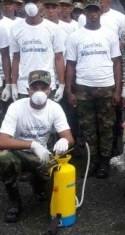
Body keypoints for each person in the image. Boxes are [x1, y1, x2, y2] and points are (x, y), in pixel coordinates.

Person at [0, 70, 74, 222]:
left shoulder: (55, 108)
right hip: (17, 151)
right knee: (4, 158)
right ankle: (14, 201)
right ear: (28, 90)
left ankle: (38, 185)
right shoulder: (16, 107)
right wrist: (32, 144)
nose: (39, 92)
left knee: (56, 172)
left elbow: (69, 137)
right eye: (34, 88)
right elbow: (2, 141)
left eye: (43, 87)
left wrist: (64, 141)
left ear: (49, 90)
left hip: (41, 154)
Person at [65, 0, 122, 179]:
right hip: (83, 88)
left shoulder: (110, 34)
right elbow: (71, 65)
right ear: (84, 12)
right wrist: (69, 90)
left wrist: (118, 90)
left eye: (96, 10)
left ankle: (105, 162)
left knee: (106, 127)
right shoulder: (75, 36)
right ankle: (92, 161)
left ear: (100, 12)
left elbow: (117, 63)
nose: (93, 14)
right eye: (89, 10)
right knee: (87, 128)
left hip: (106, 87)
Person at [10, 0, 65, 102]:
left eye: (34, 1)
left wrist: (61, 85)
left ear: (40, 4)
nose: (31, 5)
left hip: (47, 85)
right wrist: (13, 85)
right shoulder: (15, 29)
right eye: (27, 1)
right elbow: (16, 58)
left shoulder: (53, 28)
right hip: (24, 86)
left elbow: (59, 58)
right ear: (23, 3)